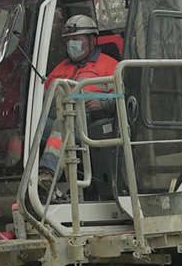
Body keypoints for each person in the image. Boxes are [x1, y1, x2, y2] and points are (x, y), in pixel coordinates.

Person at [37, 14, 120, 192]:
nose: (71, 44)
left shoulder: (110, 66)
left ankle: (48, 174)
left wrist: (102, 104)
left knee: (63, 123)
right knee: (32, 128)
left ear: (91, 40)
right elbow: (42, 98)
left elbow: (123, 98)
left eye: (76, 39)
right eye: (68, 40)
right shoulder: (59, 69)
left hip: (90, 123)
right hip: (56, 120)